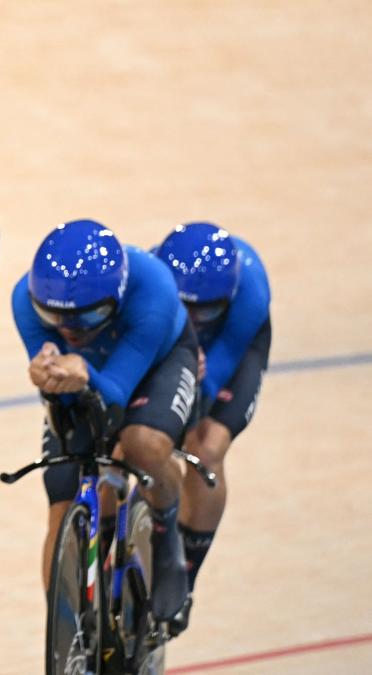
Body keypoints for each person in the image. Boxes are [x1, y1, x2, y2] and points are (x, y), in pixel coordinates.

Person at [11, 219, 198, 622]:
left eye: (88, 316)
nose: (69, 329)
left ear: (117, 299)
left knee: (142, 445)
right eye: (55, 317)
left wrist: (83, 371)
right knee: (62, 493)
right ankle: (64, 634)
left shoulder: (153, 289)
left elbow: (115, 396)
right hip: (85, 374)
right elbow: (56, 386)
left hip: (154, 367)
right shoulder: (23, 300)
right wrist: (47, 378)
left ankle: (168, 549)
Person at [154, 222, 271, 634]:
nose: (192, 318)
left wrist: (195, 385)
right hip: (168, 342)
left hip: (227, 351)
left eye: (202, 311)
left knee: (204, 448)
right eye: (183, 306)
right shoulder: (153, 276)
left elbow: (205, 388)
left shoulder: (250, 294)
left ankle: (186, 572)